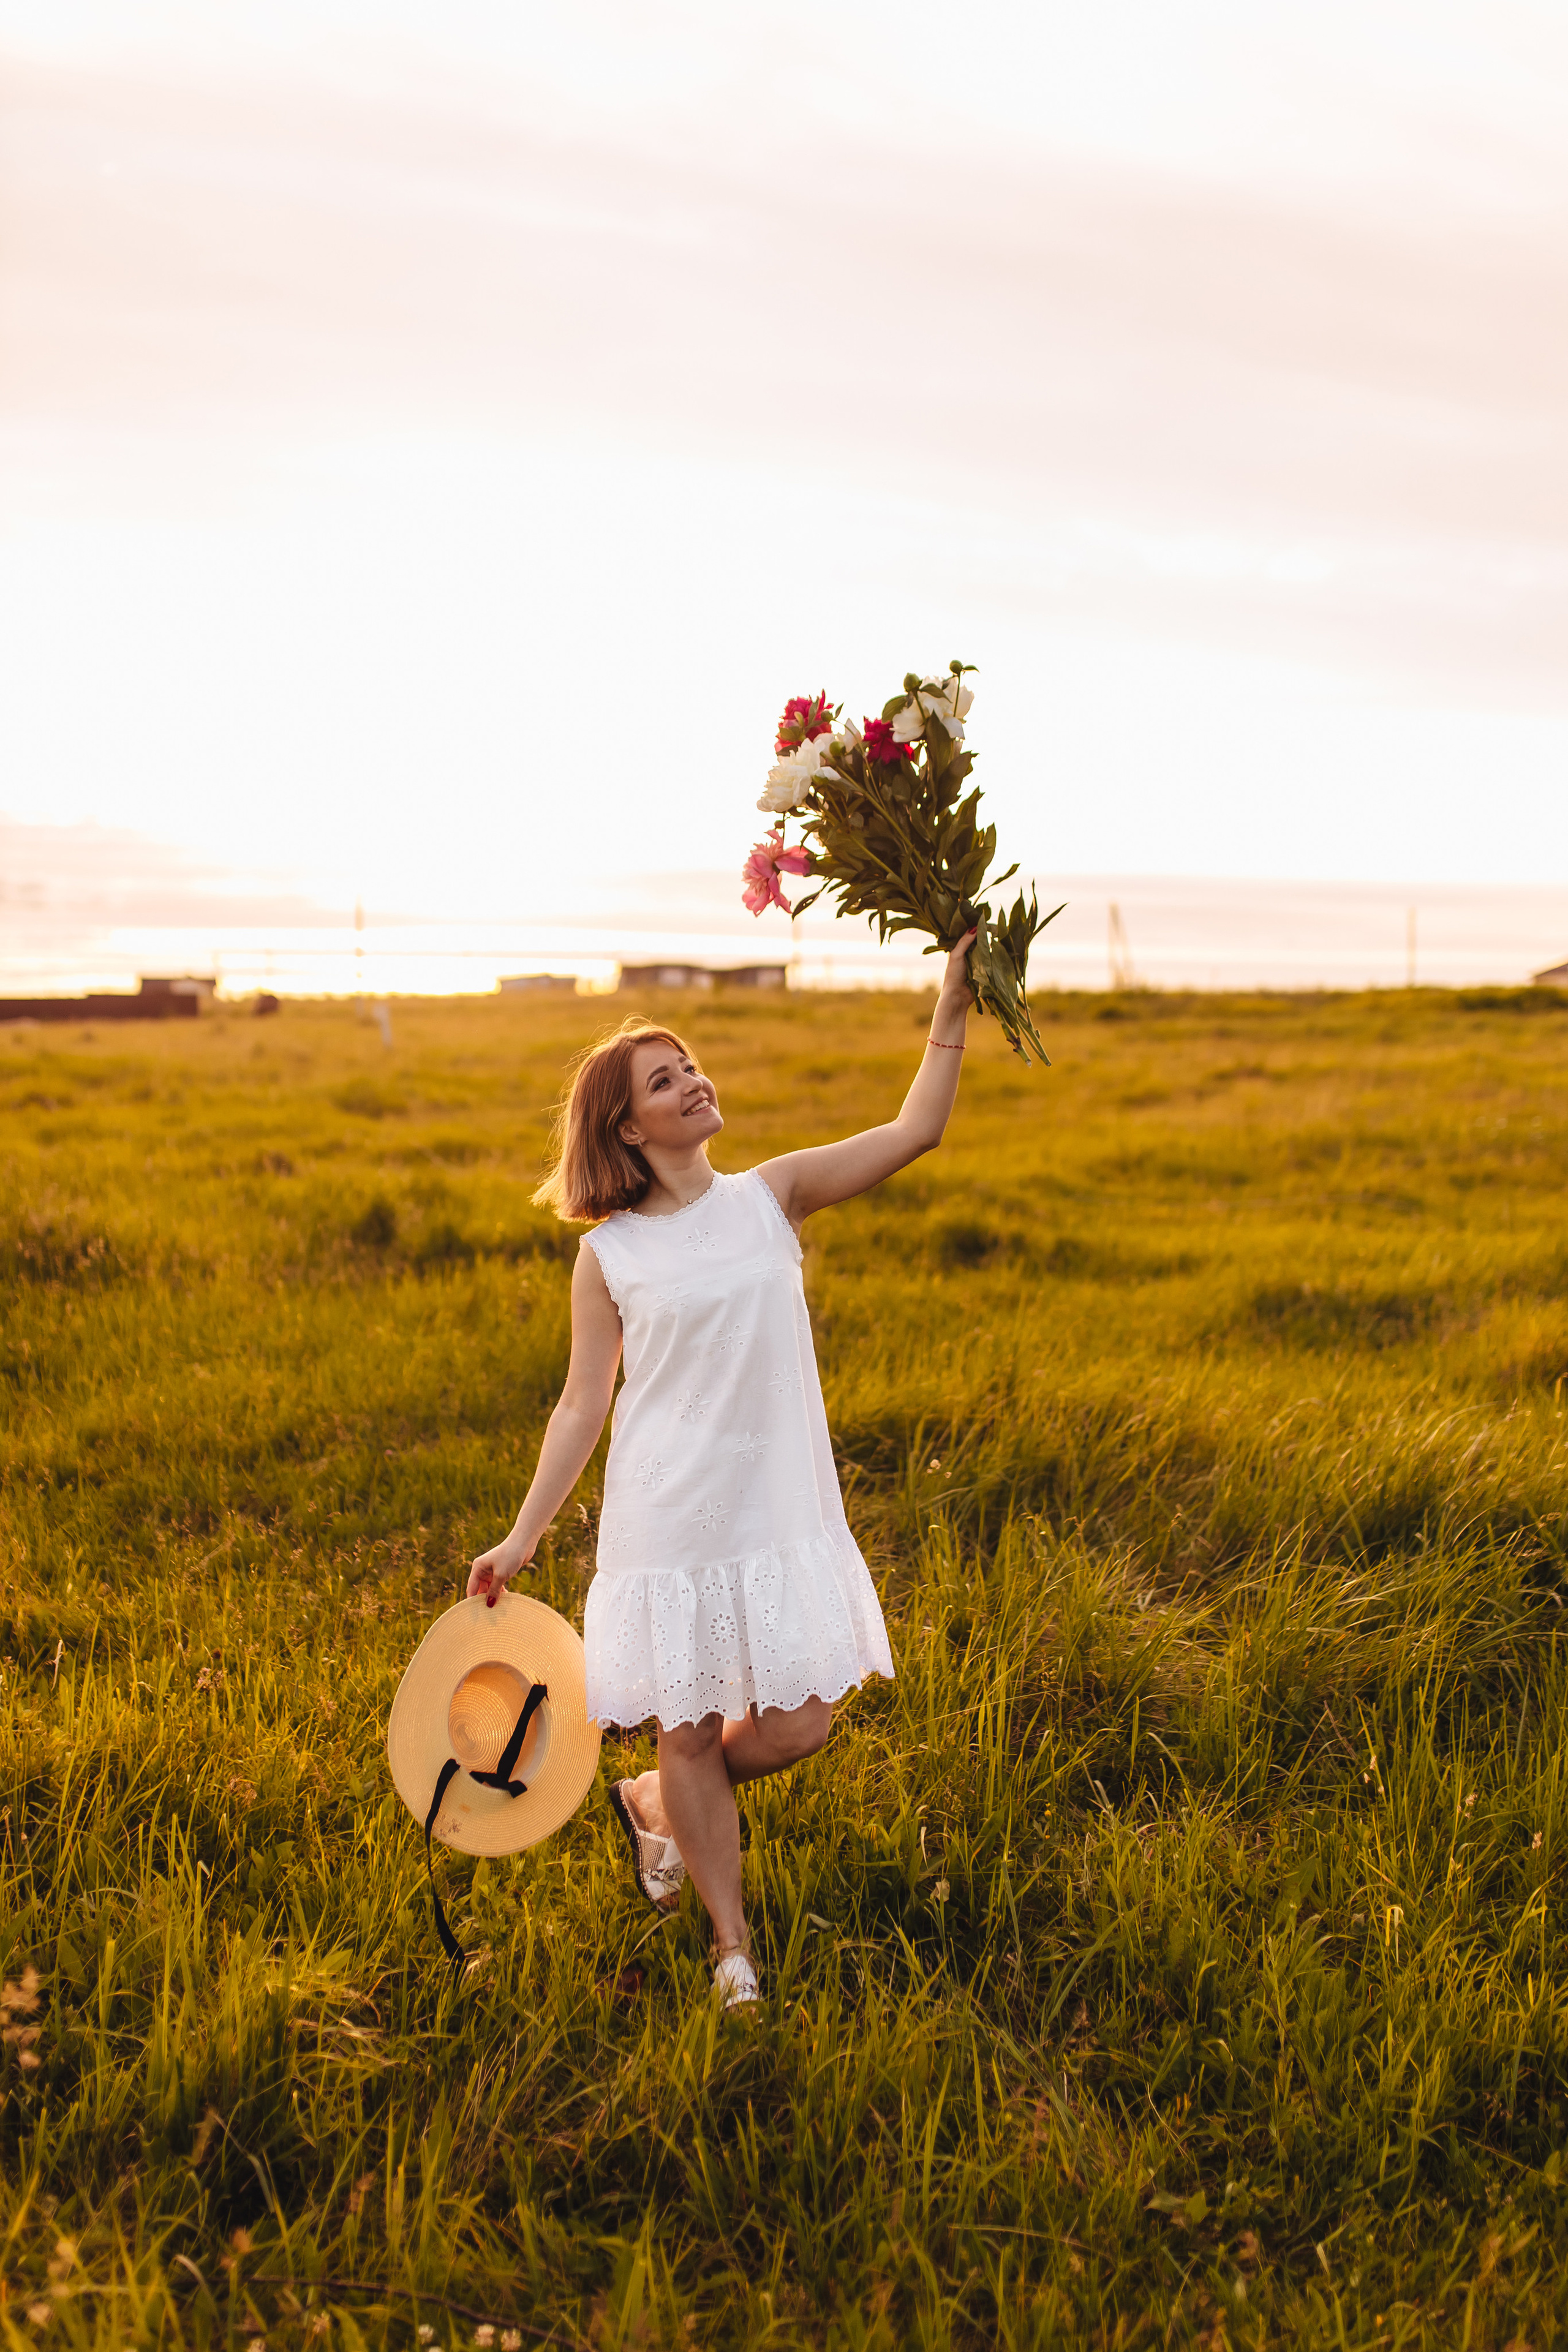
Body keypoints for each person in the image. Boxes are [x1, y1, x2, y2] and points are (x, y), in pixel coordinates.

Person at [467, 932, 977, 2006]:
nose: (693, 1083)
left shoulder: (771, 1195)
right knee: (692, 1725)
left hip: (778, 1510)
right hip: (670, 1520)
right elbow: (579, 1404)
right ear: (627, 1125)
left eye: (690, 1066)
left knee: (801, 1722)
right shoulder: (609, 1255)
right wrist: (521, 1538)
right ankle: (729, 1945)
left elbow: (918, 1129)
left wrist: (954, 998)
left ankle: (653, 1799)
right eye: (665, 1080)